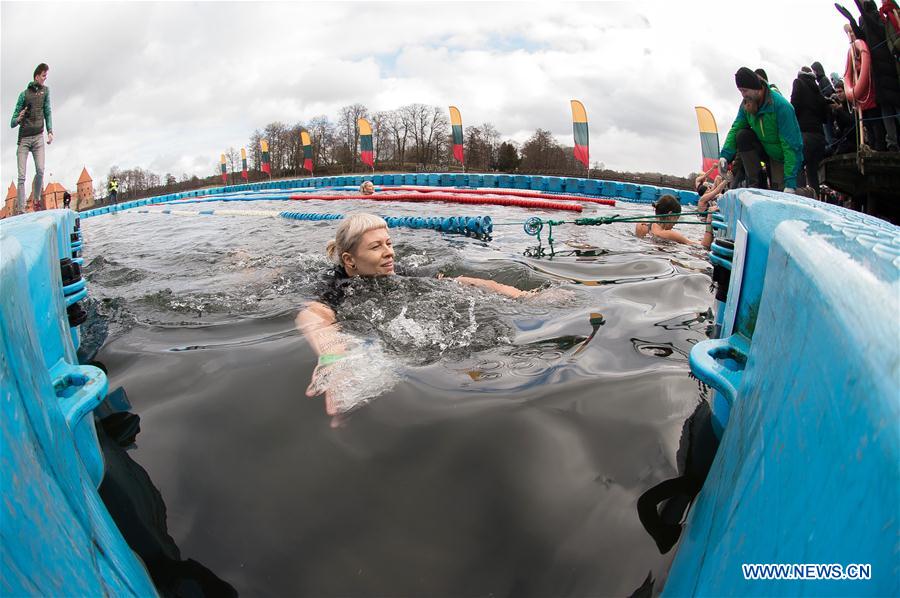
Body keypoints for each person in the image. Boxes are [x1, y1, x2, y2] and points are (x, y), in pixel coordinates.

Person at [295, 213, 533, 415]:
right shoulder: (334, 284)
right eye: (376, 247)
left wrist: (518, 295)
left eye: (389, 243)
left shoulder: (397, 272)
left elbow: (458, 281)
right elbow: (314, 315)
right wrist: (334, 358)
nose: (389, 253)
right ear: (349, 260)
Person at [718, 67, 804, 193]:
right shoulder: (746, 105)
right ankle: (756, 184)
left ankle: (808, 192)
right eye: (740, 91)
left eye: (745, 90)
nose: (743, 95)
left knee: (786, 194)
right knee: (742, 135)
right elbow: (736, 128)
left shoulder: (781, 106)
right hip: (765, 150)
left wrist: (790, 183)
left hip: (783, 157)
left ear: (756, 89)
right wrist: (725, 156)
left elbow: (791, 146)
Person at [10, 63, 53, 216]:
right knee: (21, 176)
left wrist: (50, 131)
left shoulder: (45, 91)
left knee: (40, 170)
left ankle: (36, 200)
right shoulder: (23, 95)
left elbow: (47, 111)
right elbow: (12, 122)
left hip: (38, 138)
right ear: (37, 76)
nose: (45, 78)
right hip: (24, 139)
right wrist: (19, 117)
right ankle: (21, 210)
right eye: (43, 76)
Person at [790, 67, 829, 190]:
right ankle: (815, 197)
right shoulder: (817, 89)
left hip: (805, 134)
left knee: (798, 164)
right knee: (812, 171)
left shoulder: (798, 82)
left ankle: (801, 197)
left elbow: (794, 106)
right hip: (819, 137)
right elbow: (825, 117)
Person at [634, 194, 703, 247]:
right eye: (676, 218)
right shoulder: (669, 234)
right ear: (670, 215)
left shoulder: (641, 225)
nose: (676, 223)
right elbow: (700, 245)